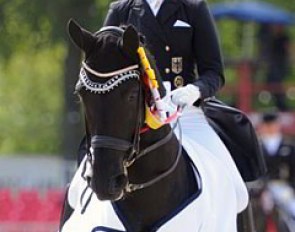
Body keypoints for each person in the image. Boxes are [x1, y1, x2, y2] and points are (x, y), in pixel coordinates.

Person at [102, 0, 249, 217]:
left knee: (238, 192)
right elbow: (102, 64)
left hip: (184, 112)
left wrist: (194, 91)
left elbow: (214, 72)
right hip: (135, 117)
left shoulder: (193, 8)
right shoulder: (122, 10)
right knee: (78, 191)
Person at [265, 25, 291, 111]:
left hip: (280, 65)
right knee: (271, 82)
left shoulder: (284, 37)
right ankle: (278, 103)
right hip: (274, 65)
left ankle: (281, 104)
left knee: (277, 83)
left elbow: (288, 49)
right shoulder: (272, 38)